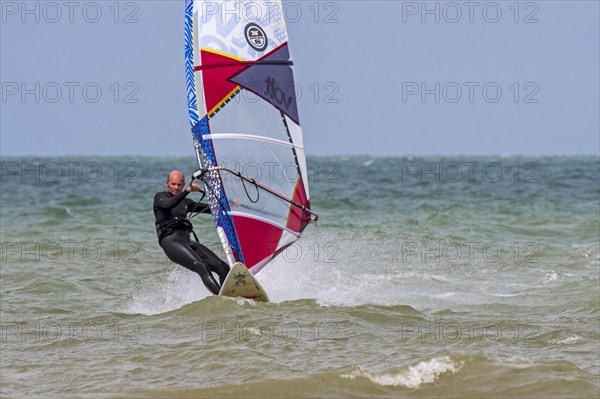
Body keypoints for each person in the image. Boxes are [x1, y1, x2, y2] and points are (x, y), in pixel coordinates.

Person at [153, 170, 230, 295]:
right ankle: (224, 299)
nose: (176, 188)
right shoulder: (160, 197)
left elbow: (212, 209)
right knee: (202, 267)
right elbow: (168, 205)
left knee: (223, 268)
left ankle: (230, 296)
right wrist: (187, 191)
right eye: (173, 184)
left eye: (179, 185)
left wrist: (232, 204)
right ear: (167, 184)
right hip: (171, 242)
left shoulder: (186, 202)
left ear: (183, 184)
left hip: (187, 241)